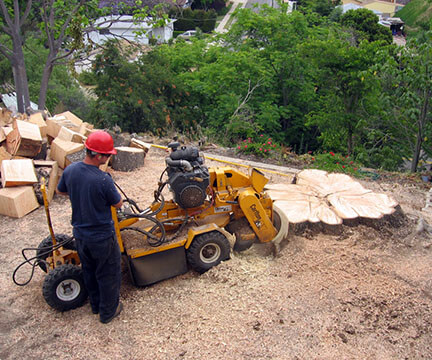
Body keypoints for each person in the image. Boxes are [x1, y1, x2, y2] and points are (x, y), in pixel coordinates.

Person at [56, 130, 124, 324]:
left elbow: (60, 191)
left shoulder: (70, 170)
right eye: (108, 155)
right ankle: (108, 312)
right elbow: (118, 204)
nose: (109, 157)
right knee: (108, 274)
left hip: (81, 235)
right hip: (102, 237)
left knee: (90, 270)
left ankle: (95, 305)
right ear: (98, 155)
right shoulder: (103, 179)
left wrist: (81, 195)